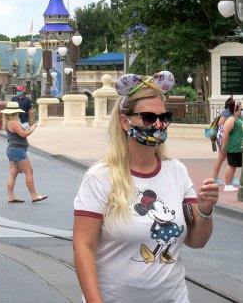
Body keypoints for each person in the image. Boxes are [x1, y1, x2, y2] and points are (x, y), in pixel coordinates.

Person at [73, 72, 218, 302]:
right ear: (124, 121)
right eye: (149, 118)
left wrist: (205, 210)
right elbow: (83, 246)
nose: (159, 124)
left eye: (164, 117)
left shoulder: (177, 171)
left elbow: (196, 240)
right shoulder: (100, 177)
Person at [2, 101, 46, 203]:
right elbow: (23, 134)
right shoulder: (13, 122)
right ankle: (34, 195)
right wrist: (33, 128)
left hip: (12, 149)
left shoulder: (9, 122)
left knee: (13, 173)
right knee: (29, 171)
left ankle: (11, 196)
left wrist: (29, 129)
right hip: (17, 150)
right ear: (15, 112)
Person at [210, 97, 237, 186]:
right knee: (222, 157)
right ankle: (215, 178)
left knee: (228, 157)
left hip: (227, 138)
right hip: (223, 138)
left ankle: (229, 177)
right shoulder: (227, 113)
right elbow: (220, 124)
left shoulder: (230, 112)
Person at [220, 100, 242, 192]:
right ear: (235, 109)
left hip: (238, 147)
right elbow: (225, 132)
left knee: (234, 165)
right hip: (233, 147)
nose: (241, 111)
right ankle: (227, 184)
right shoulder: (231, 119)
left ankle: (229, 183)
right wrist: (224, 145)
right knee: (231, 165)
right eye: (240, 109)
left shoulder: (239, 119)